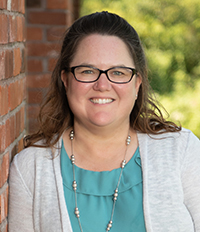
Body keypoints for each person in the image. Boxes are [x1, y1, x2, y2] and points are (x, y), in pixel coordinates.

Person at [9, 11, 200, 232]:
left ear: (137, 84)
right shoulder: (30, 168)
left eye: (118, 72)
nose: (102, 84)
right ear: (66, 80)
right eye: (88, 71)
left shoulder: (182, 152)